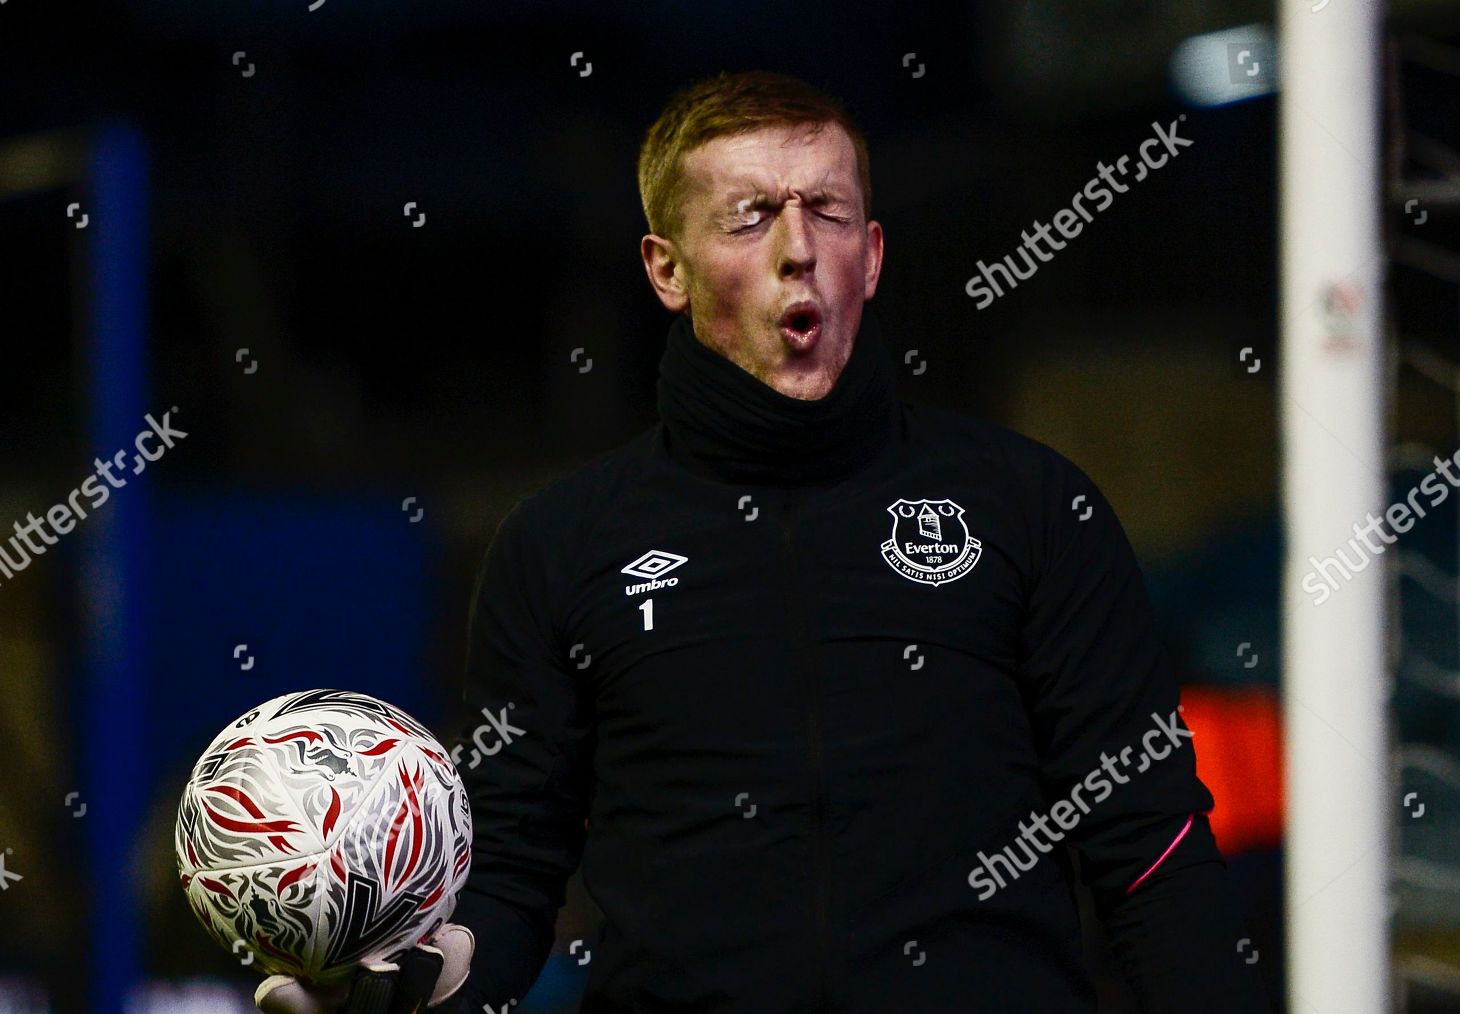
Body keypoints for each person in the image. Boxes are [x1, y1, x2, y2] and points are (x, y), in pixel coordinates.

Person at [259, 69, 1270, 1013]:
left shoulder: (1032, 506)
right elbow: (515, 876)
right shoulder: (561, 546)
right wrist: (421, 981)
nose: (799, 247)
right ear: (667, 268)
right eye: (750, 216)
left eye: (828, 210)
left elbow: (1150, 844)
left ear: (870, 256)